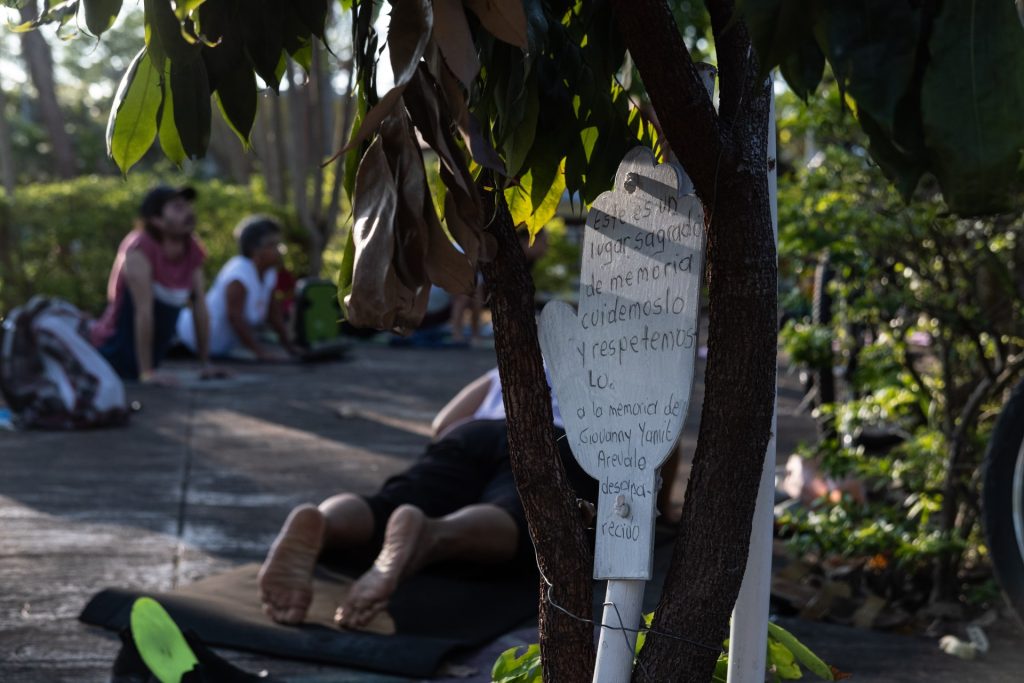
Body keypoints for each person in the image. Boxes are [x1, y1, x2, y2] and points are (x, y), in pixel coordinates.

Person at [258, 367, 597, 629]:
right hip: (556, 441)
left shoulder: (525, 358)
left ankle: (325, 522)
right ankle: (433, 534)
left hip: (472, 433)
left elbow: (443, 424)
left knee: (388, 503)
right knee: (518, 517)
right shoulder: (623, 369)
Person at [90, 186, 218, 385]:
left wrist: (206, 364)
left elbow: (199, 304)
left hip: (154, 355)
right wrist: (147, 373)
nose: (189, 213)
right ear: (156, 219)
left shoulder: (191, 248)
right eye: (178, 208)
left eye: (187, 207)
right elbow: (143, 310)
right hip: (115, 350)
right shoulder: (139, 249)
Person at [176, 215, 295, 361]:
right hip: (191, 339)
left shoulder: (268, 273)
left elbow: (273, 312)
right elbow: (234, 318)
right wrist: (261, 353)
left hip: (222, 349)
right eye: (273, 245)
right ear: (255, 250)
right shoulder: (238, 274)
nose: (279, 251)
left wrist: (289, 347)